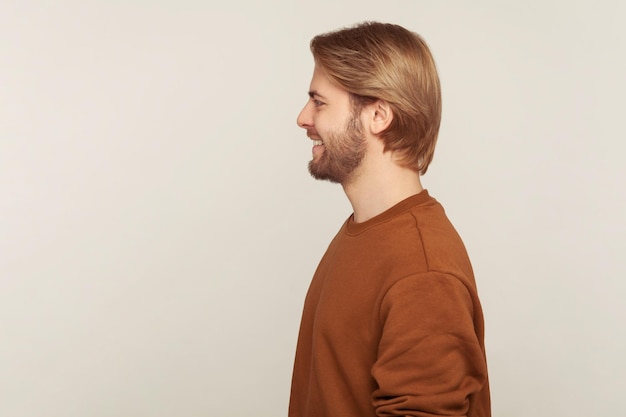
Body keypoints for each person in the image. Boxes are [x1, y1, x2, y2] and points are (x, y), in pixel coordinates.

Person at [289, 22, 491, 417]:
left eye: (319, 101)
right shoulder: (365, 231)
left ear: (378, 114)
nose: (302, 117)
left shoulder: (422, 270)